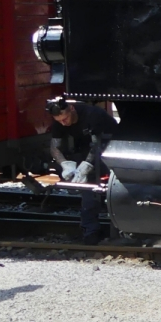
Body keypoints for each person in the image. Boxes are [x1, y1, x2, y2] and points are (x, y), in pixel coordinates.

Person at [46, 97, 116, 245]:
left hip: (111, 146)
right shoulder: (61, 121)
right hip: (87, 149)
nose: (63, 123)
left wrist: (86, 166)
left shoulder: (92, 115)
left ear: (71, 108)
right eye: (59, 121)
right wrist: (64, 164)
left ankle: (114, 230)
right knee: (89, 194)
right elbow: (55, 147)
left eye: (65, 119)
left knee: (102, 189)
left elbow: (97, 144)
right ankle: (91, 231)